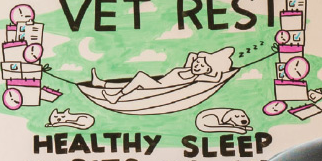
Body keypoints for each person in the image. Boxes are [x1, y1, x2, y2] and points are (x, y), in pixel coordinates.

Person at [89, 46, 234, 103]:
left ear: (206, 71)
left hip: (160, 89)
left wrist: (217, 67)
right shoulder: (187, 68)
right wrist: (203, 57)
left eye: (202, 66)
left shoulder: (196, 77)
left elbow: (216, 77)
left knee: (139, 77)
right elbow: (191, 54)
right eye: (198, 62)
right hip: (157, 84)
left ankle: (116, 97)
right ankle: (101, 84)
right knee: (132, 82)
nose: (197, 66)